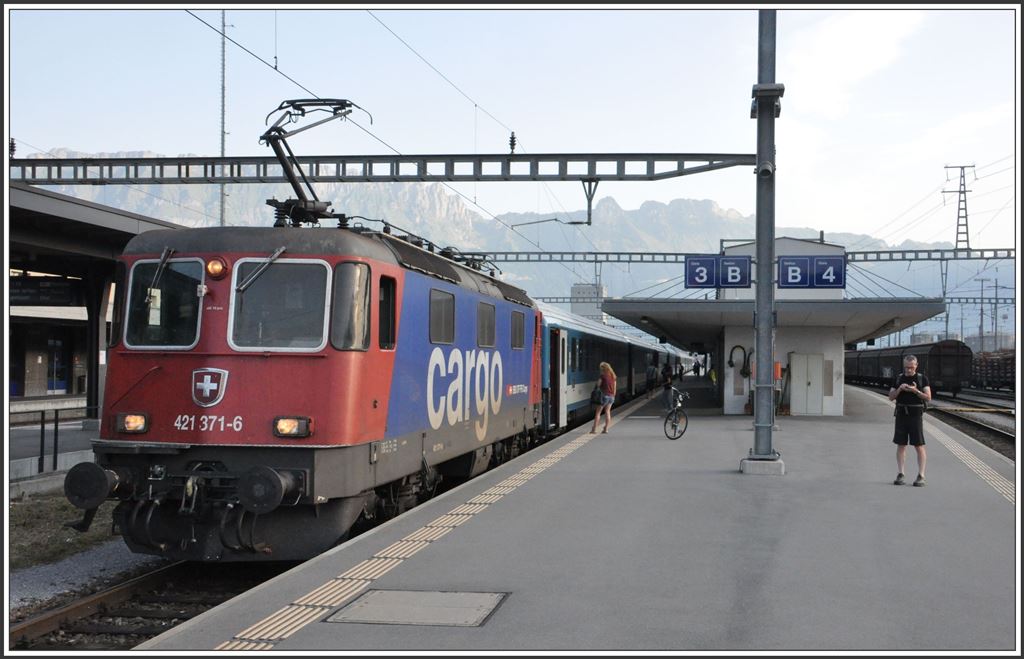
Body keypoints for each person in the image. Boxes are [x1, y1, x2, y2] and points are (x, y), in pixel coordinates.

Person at [888, 354, 931, 486]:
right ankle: (901, 473)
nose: (909, 370)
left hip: (915, 415)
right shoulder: (899, 378)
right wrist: (900, 389)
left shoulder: (922, 379)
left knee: (918, 445)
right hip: (901, 414)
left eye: (911, 367)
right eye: (907, 367)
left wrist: (915, 391)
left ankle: (921, 475)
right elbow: (891, 397)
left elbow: (928, 397)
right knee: (901, 444)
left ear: (916, 366)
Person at [591, 362, 617, 433]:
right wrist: (613, 395)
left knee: (598, 413)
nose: (600, 370)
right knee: (608, 412)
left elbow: (598, 385)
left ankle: (594, 429)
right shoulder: (613, 376)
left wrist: (597, 385)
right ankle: (606, 429)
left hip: (604, 396)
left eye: (601, 368)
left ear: (604, 368)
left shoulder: (602, 376)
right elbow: (614, 389)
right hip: (611, 396)